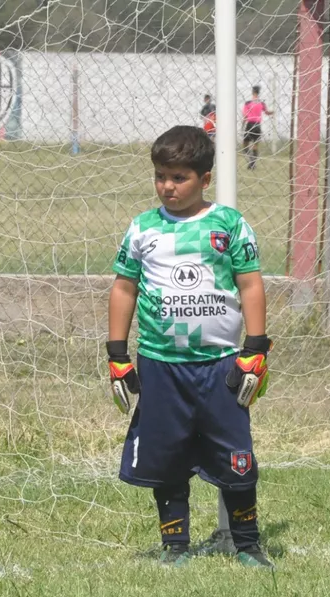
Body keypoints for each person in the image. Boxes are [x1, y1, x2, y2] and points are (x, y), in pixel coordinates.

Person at [107, 125, 274, 568]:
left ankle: (248, 543)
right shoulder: (143, 229)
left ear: (204, 178)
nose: (168, 186)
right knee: (167, 456)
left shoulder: (228, 224)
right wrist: (117, 355)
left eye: (179, 177)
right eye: (161, 176)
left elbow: (251, 285)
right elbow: (124, 289)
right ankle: (175, 546)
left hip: (220, 363)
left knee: (236, 456)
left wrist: (255, 348)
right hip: (161, 365)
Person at [241, 85, 273, 170]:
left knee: (245, 144)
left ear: (252, 92)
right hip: (258, 125)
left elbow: (245, 115)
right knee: (255, 146)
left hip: (250, 124)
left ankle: (251, 160)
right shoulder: (261, 103)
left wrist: (242, 125)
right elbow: (267, 112)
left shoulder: (248, 103)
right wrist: (273, 112)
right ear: (258, 93)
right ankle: (252, 164)